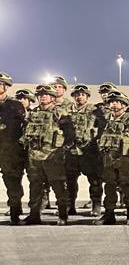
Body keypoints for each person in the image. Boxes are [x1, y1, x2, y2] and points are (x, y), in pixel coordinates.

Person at [20, 85, 76, 225]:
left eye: (46, 94)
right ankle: (34, 215)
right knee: (35, 187)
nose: (43, 97)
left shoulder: (60, 113)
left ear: (52, 97)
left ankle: (62, 216)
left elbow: (70, 135)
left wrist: (62, 150)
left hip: (53, 157)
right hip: (34, 157)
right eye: (40, 95)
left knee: (59, 186)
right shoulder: (32, 113)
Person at [95, 91, 129, 225]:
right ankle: (109, 214)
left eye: (117, 102)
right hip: (108, 159)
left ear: (124, 105)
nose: (114, 105)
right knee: (109, 186)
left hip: (126, 161)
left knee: (128, 187)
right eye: (111, 102)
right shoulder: (105, 120)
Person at [64, 84, 104, 217]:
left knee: (94, 180)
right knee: (69, 180)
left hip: (89, 151)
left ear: (87, 97)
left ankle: (96, 204)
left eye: (82, 95)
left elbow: (102, 128)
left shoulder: (95, 111)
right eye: (77, 95)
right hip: (71, 151)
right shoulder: (66, 111)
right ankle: (70, 205)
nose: (79, 97)